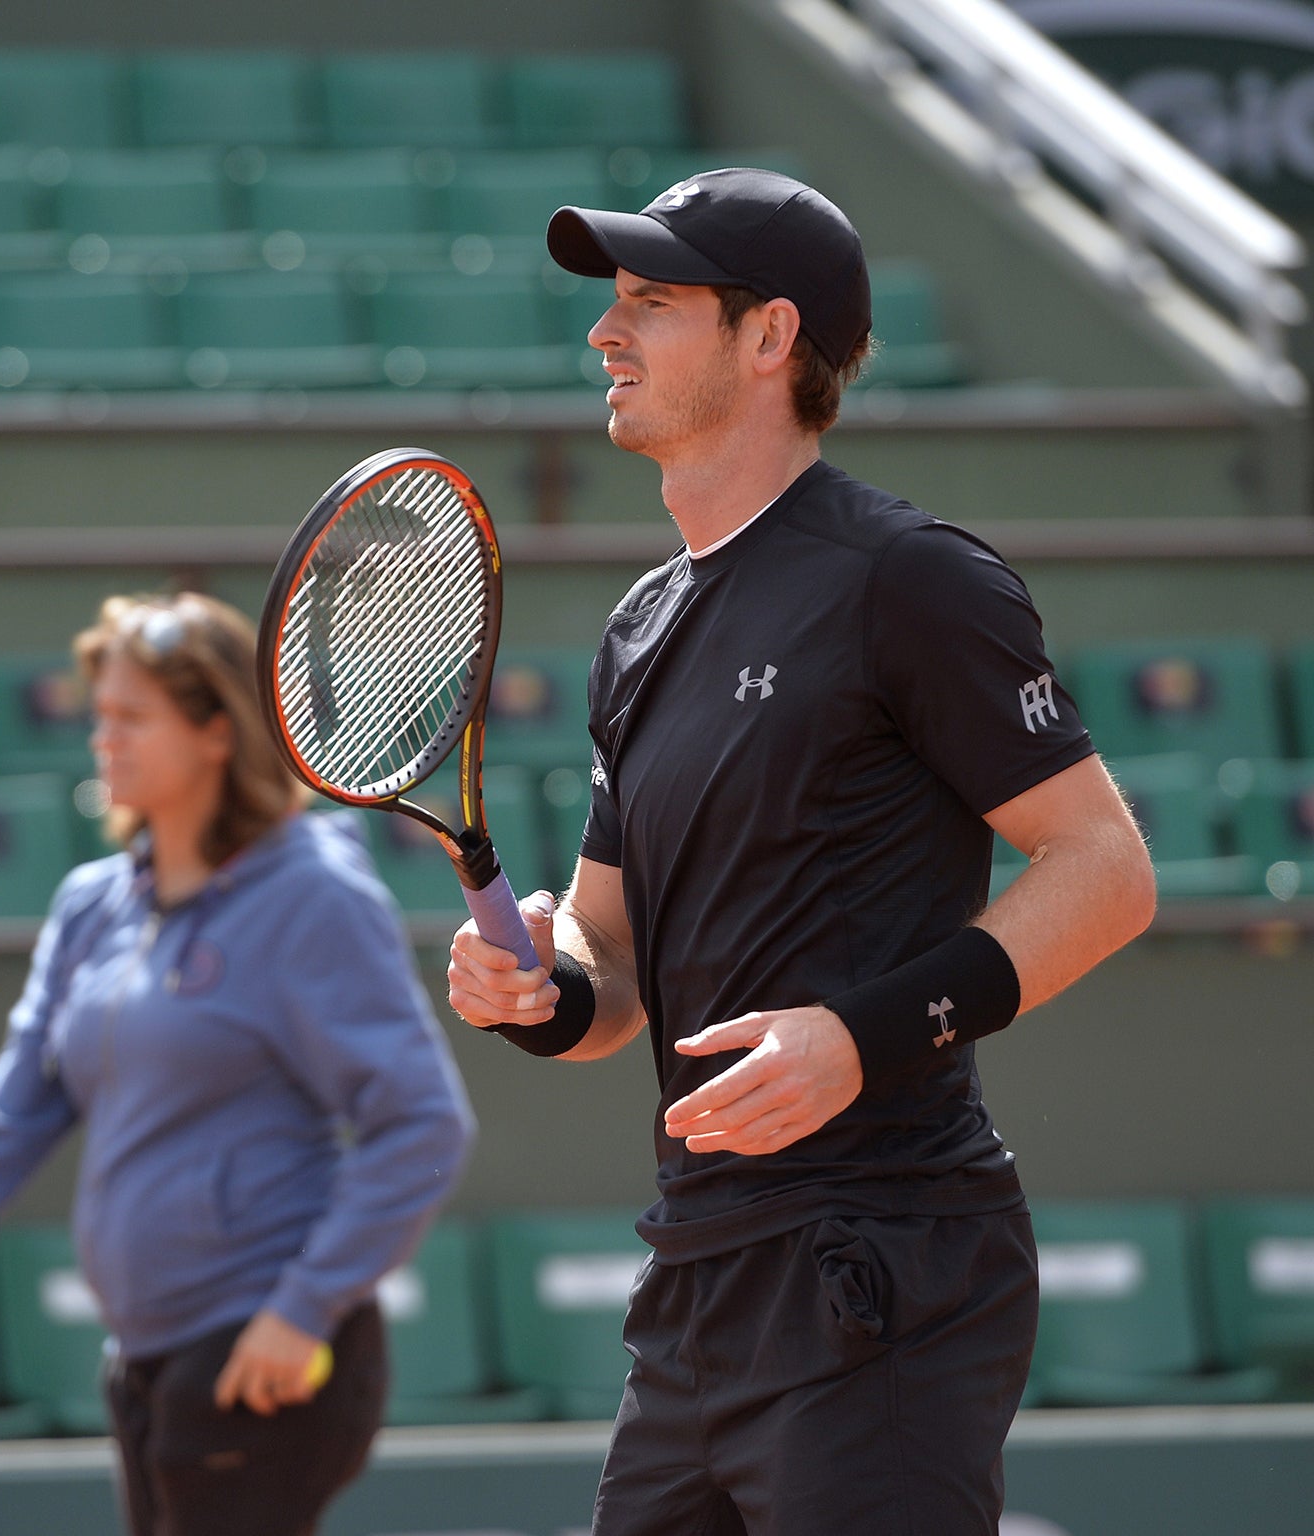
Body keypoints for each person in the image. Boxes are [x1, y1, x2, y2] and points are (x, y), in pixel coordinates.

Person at [445, 168, 1156, 1536]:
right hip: (700, 1285)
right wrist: (539, 985)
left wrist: (858, 1036)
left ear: (769, 339)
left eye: (651, 302)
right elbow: (615, 967)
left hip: (885, 1262)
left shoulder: (912, 577)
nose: (605, 332)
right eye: (612, 303)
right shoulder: (639, 628)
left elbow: (1106, 871)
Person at [0, 592, 475, 1536]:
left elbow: (423, 1121)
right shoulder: (91, 906)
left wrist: (303, 1308)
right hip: (146, 1361)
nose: (103, 738)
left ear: (217, 731)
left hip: (263, 1356)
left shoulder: (314, 895)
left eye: (133, 717)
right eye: (99, 715)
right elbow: (4, 1121)